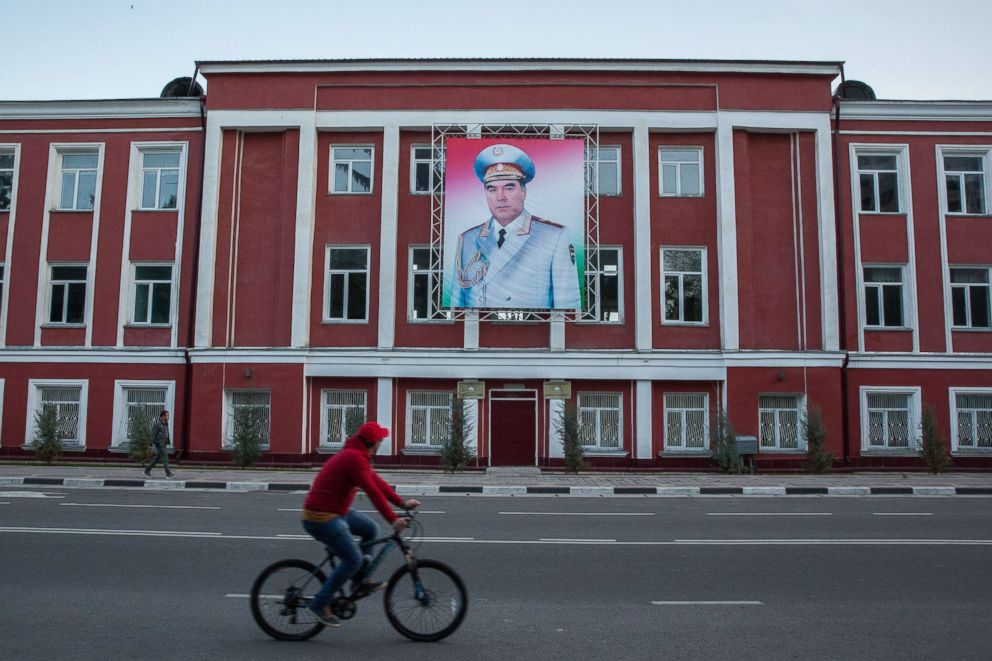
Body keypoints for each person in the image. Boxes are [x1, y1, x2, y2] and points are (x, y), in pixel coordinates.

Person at [301, 421, 420, 627]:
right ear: (373, 442)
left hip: (336, 511)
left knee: (371, 529)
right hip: (320, 517)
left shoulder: (359, 456)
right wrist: (393, 520)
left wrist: (401, 502)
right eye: (380, 440)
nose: (381, 443)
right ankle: (320, 604)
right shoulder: (354, 459)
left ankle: (359, 581)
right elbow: (372, 492)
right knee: (353, 560)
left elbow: (377, 482)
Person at [450, 143, 581, 309]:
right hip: (478, 329)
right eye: (492, 189)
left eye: (509, 188)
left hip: (531, 330)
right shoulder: (468, 239)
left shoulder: (553, 236)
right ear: (485, 193)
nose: (500, 197)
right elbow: (456, 302)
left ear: (524, 192)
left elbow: (567, 302)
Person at [143, 410, 174, 479]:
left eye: (168, 415)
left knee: (157, 459)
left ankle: (147, 470)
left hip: (164, 444)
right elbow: (153, 435)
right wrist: (150, 445)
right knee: (165, 458)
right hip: (160, 444)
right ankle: (168, 474)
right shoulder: (157, 425)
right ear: (162, 416)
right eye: (167, 415)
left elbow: (166, 434)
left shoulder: (165, 424)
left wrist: (167, 441)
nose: (168, 417)